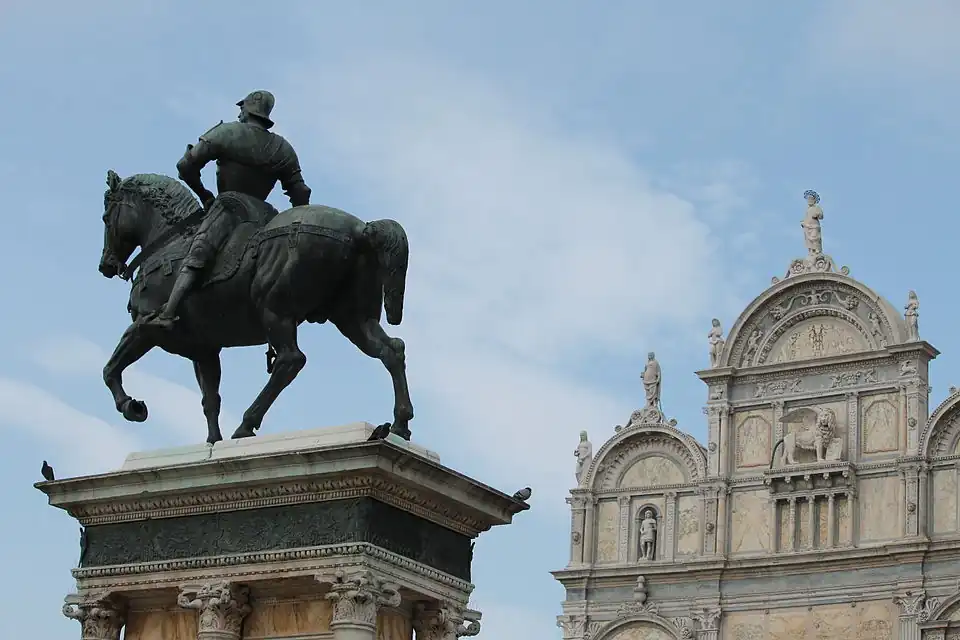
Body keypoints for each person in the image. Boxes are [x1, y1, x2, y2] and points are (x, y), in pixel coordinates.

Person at [145, 90, 312, 329]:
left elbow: (186, 166)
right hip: (266, 217)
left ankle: (168, 313)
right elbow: (301, 193)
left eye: (241, 108)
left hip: (230, 208)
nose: (240, 112)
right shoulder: (283, 148)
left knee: (199, 251)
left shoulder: (226, 132)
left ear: (247, 110)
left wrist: (204, 194)